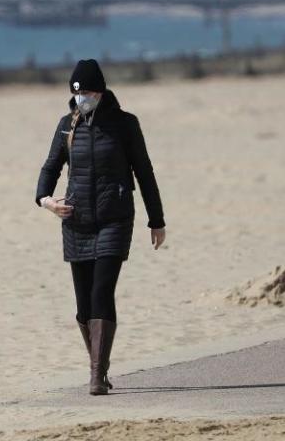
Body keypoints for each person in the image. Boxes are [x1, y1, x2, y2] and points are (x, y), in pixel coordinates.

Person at [35, 59, 166, 396]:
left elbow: (144, 172)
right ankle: (100, 367)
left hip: (115, 218)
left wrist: (156, 219)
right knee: (82, 306)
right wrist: (47, 202)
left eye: (88, 93)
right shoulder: (67, 126)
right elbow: (50, 168)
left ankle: (96, 377)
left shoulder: (125, 125)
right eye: (77, 94)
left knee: (100, 293)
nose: (83, 99)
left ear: (102, 92)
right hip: (76, 222)